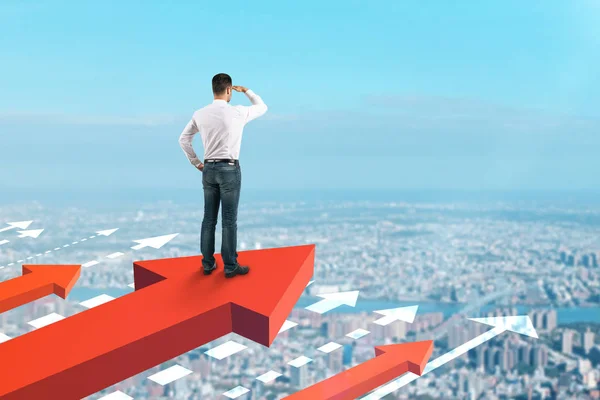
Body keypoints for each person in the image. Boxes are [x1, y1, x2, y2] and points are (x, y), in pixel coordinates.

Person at [178, 73, 268, 278]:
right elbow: (262, 107)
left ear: (213, 90)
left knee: (208, 219)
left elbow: (183, 139)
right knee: (229, 220)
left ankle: (208, 264)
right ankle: (230, 266)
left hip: (208, 169)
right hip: (229, 169)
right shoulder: (238, 112)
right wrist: (246, 91)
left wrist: (196, 163)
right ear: (229, 90)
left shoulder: (199, 114)